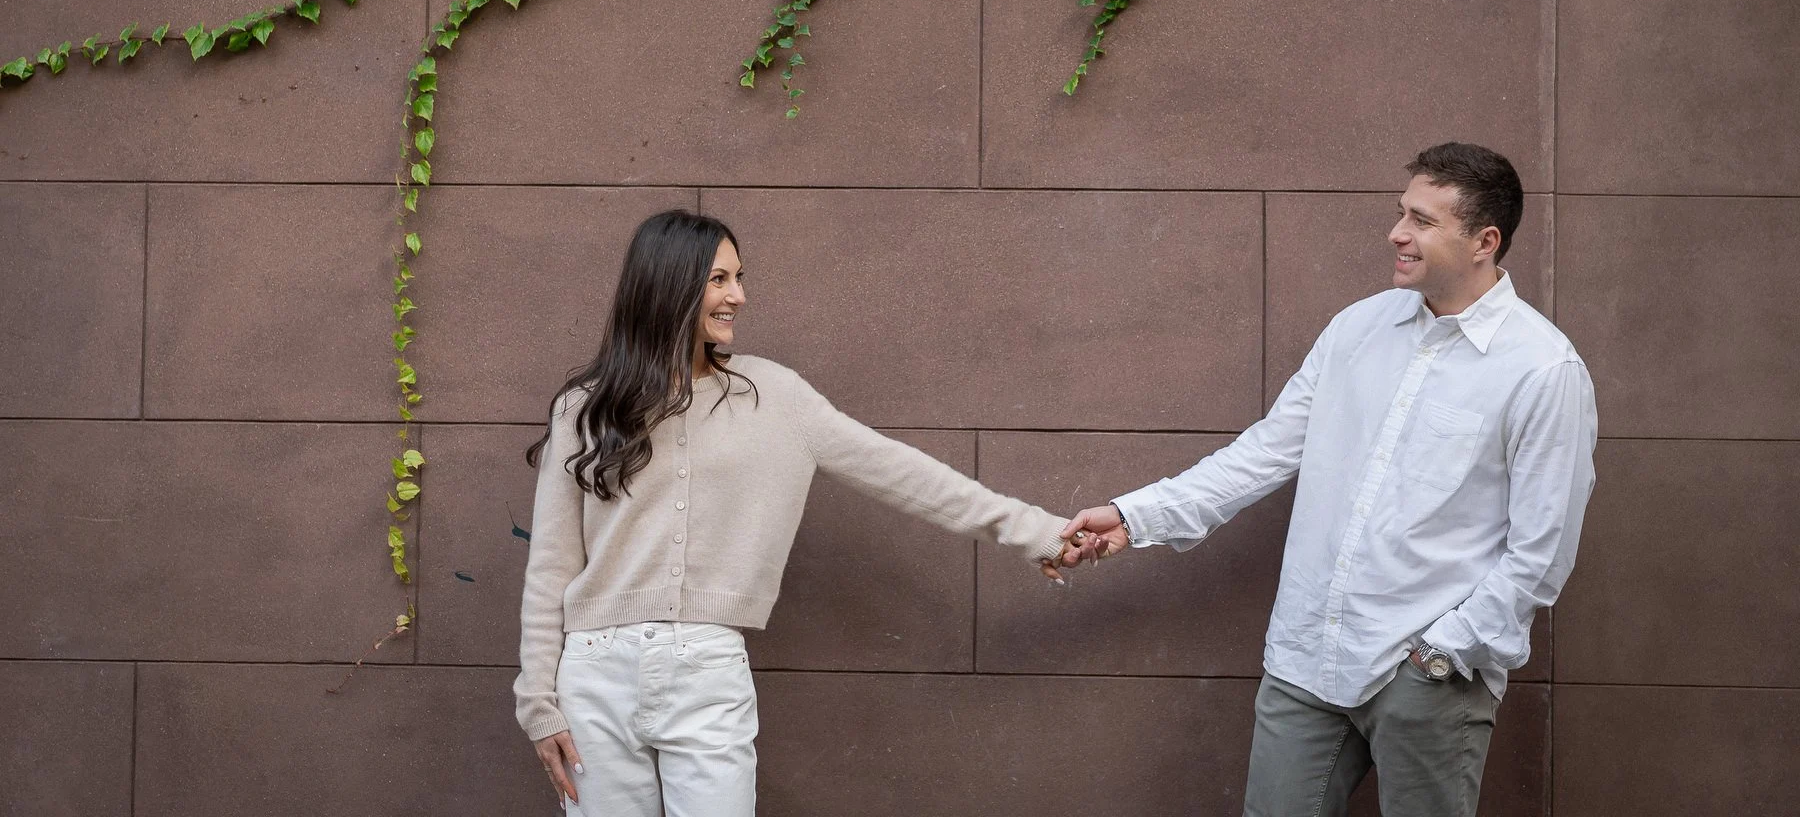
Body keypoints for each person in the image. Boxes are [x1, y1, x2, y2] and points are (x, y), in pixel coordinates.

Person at [1061, 142, 1597, 817]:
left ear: (1484, 241)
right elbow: (1262, 454)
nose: (1397, 232)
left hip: (1430, 676)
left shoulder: (1543, 370)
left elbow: (1540, 554)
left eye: (1423, 221)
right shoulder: (1357, 329)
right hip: (1308, 657)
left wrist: (1441, 654)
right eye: (1402, 212)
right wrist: (1136, 518)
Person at [514, 209, 1084, 815]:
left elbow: (908, 476)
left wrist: (1038, 533)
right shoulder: (586, 408)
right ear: (668, 286)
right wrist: (539, 703)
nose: (738, 295)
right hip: (593, 675)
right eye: (719, 280)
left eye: (738, 278)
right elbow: (551, 565)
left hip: (706, 669)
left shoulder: (777, 398)